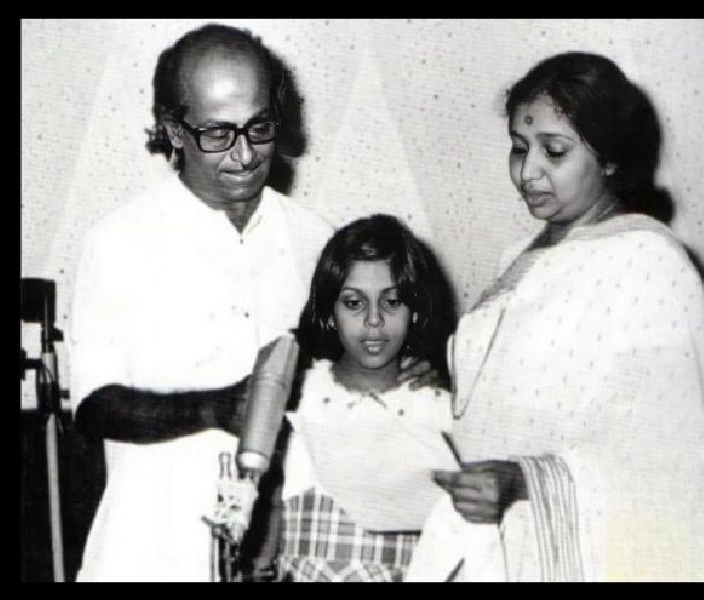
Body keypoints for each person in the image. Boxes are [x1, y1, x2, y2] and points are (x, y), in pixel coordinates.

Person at [68, 24, 434, 582]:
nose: (244, 155)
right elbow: (93, 406)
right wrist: (213, 409)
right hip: (152, 547)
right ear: (173, 130)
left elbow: (344, 375)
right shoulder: (117, 242)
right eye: (217, 133)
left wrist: (401, 374)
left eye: (259, 128)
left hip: (292, 546)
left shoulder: (317, 239)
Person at [410, 52, 704, 582]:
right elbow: (513, 402)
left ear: (611, 160)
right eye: (518, 147)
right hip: (486, 543)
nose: (528, 171)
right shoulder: (517, 257)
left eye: (554, 151)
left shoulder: (651, 263)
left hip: (565, 551)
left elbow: (668, 460)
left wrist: (524, 480)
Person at [274, 214, 458, 582]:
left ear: (416, 310)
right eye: (354, 303)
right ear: (328, 312)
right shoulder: (298, 399)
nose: (374, 321)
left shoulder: (437, 409)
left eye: (392, 302)